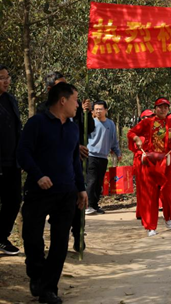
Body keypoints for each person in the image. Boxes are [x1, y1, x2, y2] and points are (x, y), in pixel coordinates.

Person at [18, 82, 88, 304]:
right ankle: (36, 272)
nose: (78, 105)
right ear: (63, 101)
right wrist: (38, 175)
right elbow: (23, 153)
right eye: (76, 100)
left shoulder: (73, 127)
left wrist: (81, 188)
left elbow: (74, 161)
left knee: (60, 242)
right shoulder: (37, 123)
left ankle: (49, 289)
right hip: (38, 192)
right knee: (32, 237)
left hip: (66, 193)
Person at [36, 71, 93, 251]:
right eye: (62, 86)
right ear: (51, 89)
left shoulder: (73, 107)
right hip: (51, 168)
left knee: (77, 201)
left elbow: (87, 129)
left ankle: (78, 235)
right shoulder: (42, 112)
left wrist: (87, 113)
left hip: (74, 165)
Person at [128, 98, 171, 236]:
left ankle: (168, 215)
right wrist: (136, 139)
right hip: (150, 163)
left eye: (165, 107)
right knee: (150, 194)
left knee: (167, 193)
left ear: (168, 109)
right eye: (160, 107)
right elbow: (131, 132)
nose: (162, 110)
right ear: (155, 108)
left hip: (167, 163)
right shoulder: (146, 122)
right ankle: (151, 226)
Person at [85, 100, 122, 215]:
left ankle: (95, 205)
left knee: (99, 182)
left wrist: (118, 152)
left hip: (103, 157)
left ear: (106, 110)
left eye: (101, 109)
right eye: (96, 109)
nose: (98, 111)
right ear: (93, 111)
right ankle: (88, 205)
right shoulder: (90, 123)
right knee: (91, 181)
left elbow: (114, 141)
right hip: (91, 155)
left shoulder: (110, 124)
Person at [0, 65, 22, 255]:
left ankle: (1, 237)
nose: (6, 81)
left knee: (14, 199)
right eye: (2, 78)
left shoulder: (11, 100)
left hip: (12, 161)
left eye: (7, 77)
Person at [131, 110, 154, 220]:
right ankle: (141, 212)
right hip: (141, 162)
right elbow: (133, 146)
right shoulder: (136, 132)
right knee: (142, 188)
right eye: (147, 117)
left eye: (151, 117)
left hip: (153, 161)